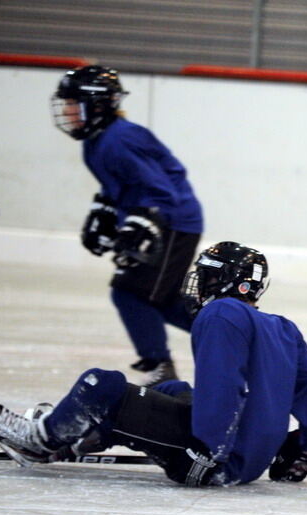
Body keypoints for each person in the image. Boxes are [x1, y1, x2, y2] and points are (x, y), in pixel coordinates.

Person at [0, 241, 307, 486]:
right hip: (244, 461)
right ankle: (85, 437)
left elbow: (224, 385)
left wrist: (209, 452)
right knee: (174, 390)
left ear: (235, 285)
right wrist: (305, 451)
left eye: (209, 277)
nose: (199, 285)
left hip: (213, 459)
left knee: (102, 385)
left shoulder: (222, 313)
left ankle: (39, 441)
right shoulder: (282, 327)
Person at [52, 65, 204, 387]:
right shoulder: (94, 142)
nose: (67, 112)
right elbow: (120, 186)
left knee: (132, 294)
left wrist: (143, 222)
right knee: (157, 298)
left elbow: (160, 190)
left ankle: (162, 367)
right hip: (164, 221)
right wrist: (105, 211)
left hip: (173, 223)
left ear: (97, 105)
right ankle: (233, 333)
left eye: (72, 104)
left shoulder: (120, 140)